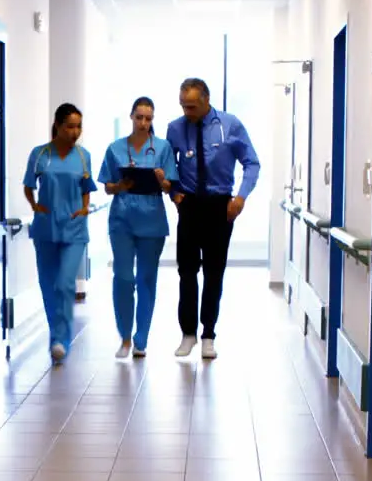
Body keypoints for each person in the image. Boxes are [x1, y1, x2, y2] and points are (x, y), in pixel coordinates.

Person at [166, 77, 261, 359]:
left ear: (206, 101)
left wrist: (241, 197)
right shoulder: (175, 128)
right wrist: (173, 193)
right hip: (190, 205)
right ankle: (188, 334)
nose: (188, 112)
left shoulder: (230, 125)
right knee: (186, 271)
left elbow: (251, 163)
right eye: (183, 106)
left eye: (192, 106)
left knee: (214, 271)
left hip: (221, 205)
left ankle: (208, 333)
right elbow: (167, 166)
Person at [98, 96, 178, 359]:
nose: (144, 123)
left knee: (146, 279)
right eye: (139, 117)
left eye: (149, 118)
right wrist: (120, 186)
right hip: (122, 218)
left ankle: (140, 338)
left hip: (152, 219)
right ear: (131, 117)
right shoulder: (115, 148)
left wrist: (162, 179)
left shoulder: (163, 147)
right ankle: (123, 336)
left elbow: (170, 188)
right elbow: (107, 186)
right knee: (123, 277)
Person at [22, 103, 97, 364]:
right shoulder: (40, 154)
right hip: (45, 228)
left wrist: (85, 208)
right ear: (57, 125)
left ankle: (62, 340)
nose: (75, 132)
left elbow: (87, 185)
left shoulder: (83, 155)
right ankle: (55, 335)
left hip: (75, 229)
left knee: (66, 283)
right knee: (48, 285)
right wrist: (34, 206)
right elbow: (28, 185)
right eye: (70, 126)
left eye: (79, 126)